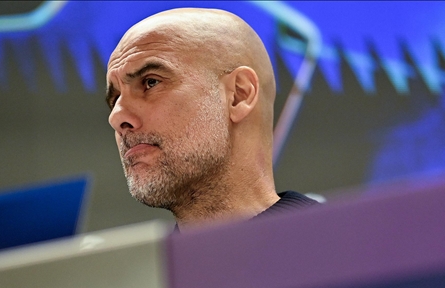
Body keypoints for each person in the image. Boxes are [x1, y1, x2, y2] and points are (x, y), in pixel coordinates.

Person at [105, 8, 319, 232]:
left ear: (239, 95)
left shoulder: (342, 244)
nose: (116, 116)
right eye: (115, 98)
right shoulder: (141, 259)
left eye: (151, 82)